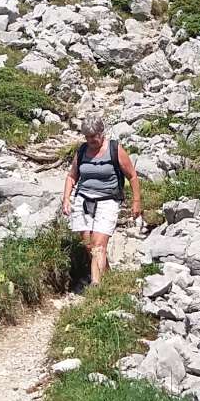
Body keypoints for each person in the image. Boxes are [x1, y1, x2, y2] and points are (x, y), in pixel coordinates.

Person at [61, 117, 140, 287]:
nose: (90, 141)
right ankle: (109, 277)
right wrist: (66, 198)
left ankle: (96, 285)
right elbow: (72, 176)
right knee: (89, 245)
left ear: (101, 133)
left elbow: (132, 176)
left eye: (93, 137)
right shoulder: (82, 151)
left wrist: (136, 201)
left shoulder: (115, 149)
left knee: (98, 245)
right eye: (87, 137)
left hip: (107, 200)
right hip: (83, 200)